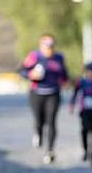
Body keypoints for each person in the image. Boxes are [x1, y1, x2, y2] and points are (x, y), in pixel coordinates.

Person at [19, 34, 69, 164]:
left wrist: (65, 82)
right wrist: (31, 74)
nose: (49, 49)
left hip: (53, 93)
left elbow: (64, 75)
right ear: (41, 46)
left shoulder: (59, 58)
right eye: (46, 46)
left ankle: (50, 151)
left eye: (51, 46)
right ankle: (38, 133)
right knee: (39, 119)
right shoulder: (34, 57)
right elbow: (22, 71)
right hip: (37, 93)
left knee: (51, 120)